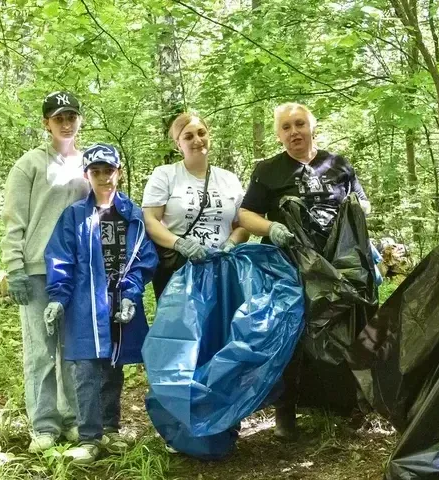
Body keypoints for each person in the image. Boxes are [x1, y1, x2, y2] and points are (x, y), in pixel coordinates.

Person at [238, 102, 371, 440]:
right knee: (292, 335)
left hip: (340, 265)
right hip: (291, 266)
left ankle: (350, 405)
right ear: (278, 134)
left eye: (299, 124)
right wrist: (271, 229)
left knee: (348, 328)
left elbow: (362, 204)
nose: (294, 131)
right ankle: (286, 411)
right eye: (286, 127)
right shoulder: (268, 171)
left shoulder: (338, 165)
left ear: (313, 126)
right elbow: (246, 216)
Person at [44, 143, 158, 464]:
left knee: (113, 366)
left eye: (108, 170)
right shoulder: (75, 216)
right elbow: (61, 259)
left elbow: (143, 261)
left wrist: (132, 296)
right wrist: (57, 298)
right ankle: (89, 437)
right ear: (87, 176)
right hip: (85, 305)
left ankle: (110, 427)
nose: (103, 177)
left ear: (118, 172)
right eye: (96, 172)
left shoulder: (133, 215)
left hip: (120, 303)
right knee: (86, 369)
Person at [0, 91, 89, 453]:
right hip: (37, 270)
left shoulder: (88, 163)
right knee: (41, 350)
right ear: (46, 123)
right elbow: (14, 220)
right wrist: (14, 268)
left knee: (71, 349)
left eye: (71, 116)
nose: (65, 123)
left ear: (78, 119)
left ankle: (71, 418)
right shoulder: (30, 165)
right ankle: (44, 424)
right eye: (58, 118)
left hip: (77, 271)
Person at [142, 113, 249, 300]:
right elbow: (150, 220)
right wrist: (179, 244)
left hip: (221, 269)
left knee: (222, 325)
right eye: (188, 136)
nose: (197, 140)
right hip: (179, 271)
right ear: (178, 144)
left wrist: (231, 244)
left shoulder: (228, 179)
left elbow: (243, 224)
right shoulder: (165, 175)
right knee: (181, 328)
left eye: (202, 133)